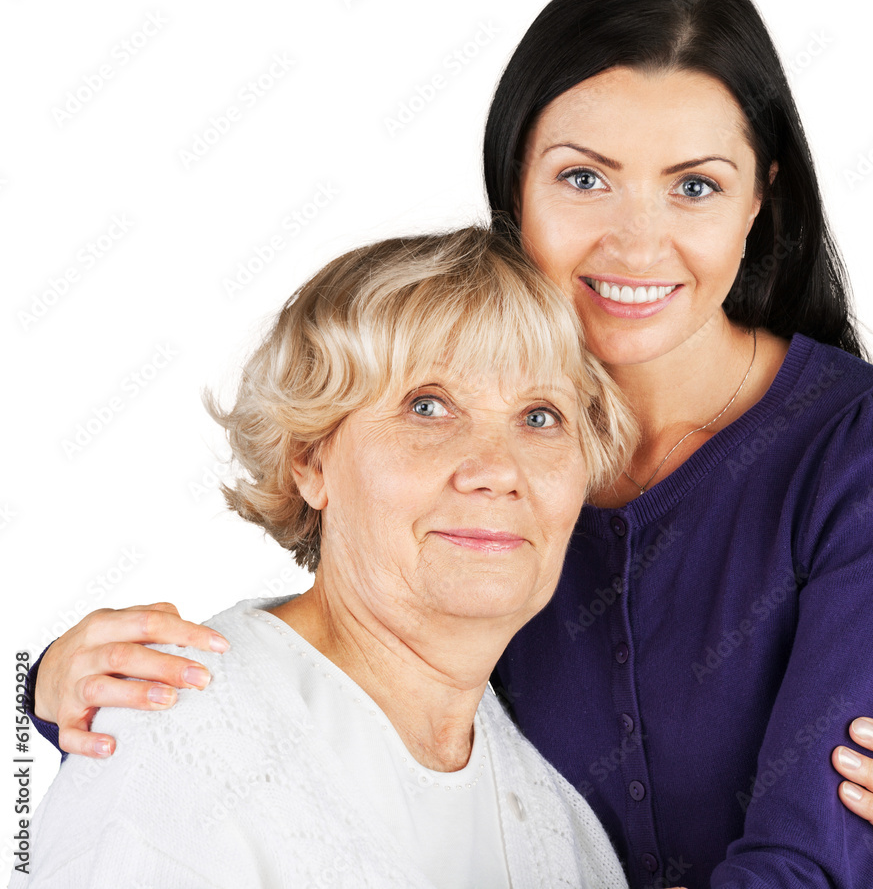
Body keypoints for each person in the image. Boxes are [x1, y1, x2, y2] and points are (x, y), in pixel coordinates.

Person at [24, 0, 873, 889]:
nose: (638, 241)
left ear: (759, 200)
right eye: (584, 178)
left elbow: (813, 858)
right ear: (513, 186)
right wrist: (86, 701)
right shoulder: (494, 477)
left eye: (694, 185)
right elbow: (327, 706)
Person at [12, 228, 637, 888]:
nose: (496, 469)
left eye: (541, 416)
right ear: (310, 459)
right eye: (428, 406)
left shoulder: (564, 828)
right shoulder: (178, 744)